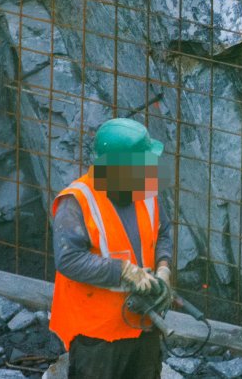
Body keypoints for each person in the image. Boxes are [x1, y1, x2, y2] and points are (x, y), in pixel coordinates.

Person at [49, 118, 174, 379]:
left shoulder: (145, 188)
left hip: (143, 321)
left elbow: (162, 231)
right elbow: (69, 259)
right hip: (97, 335)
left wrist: (164, 267)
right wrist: (124, 271)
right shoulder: (77, 202)